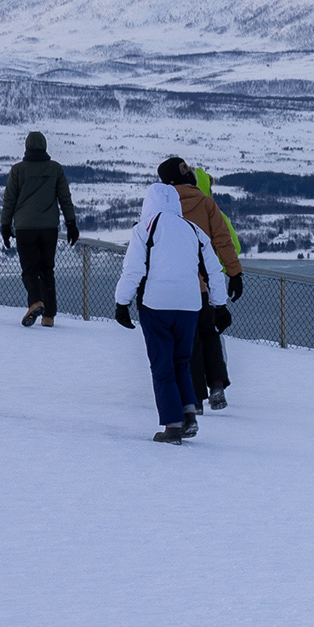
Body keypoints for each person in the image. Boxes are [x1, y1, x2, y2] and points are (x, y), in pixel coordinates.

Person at [109, 155, 223, 444]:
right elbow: (213, 270)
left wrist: (122, 304)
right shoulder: (193, 230)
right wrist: (219, 304)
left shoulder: (144, 229)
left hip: (156, 305)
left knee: (162, 367)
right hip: (190, 306)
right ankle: (188, 414)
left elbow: (133, 271)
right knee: (182, 362)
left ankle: (172, 425)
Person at [0, 129, 82, 327]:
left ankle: (36, 301)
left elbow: (9, 200)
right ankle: (49, 316)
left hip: (25, 228)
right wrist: (71, 223)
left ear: (27, 147)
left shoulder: (18, 170)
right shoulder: (55, 168)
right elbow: (65, 197)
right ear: (45, 146)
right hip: (48, 228)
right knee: (47, 270)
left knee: (29, 270)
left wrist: (5, 225)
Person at [180, 167, 244, 412]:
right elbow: (232, 244)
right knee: (212, 333)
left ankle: (194, 396)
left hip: (181, 281)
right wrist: (231, 272)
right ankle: (217, 384)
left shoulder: (168, 207)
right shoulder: (212, 208)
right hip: (211, 279)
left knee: (189, 338)